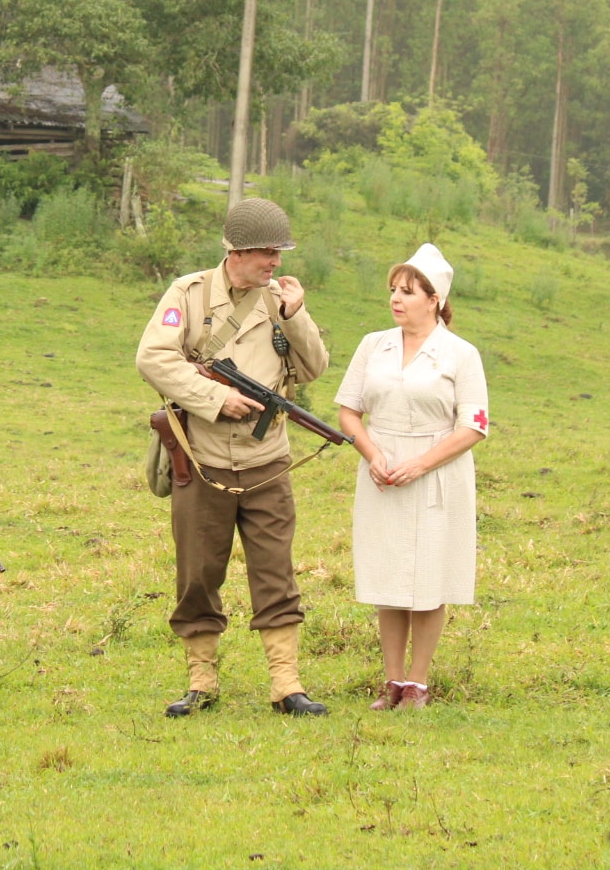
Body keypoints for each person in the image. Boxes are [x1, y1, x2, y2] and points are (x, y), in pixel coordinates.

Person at [135, 197, 332, 718]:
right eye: (267, 253)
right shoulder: (190, 294)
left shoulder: (279, 301)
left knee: (275, 570)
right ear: (237, 252)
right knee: (198, 572)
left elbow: (313, 368)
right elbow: (152, 357)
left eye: (279, 252)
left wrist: (296, 316)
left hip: (268, 459)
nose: (276, 263)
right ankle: (201, 681)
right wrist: (217, 399)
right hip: (202, 458)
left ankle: (286, 685)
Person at [334, 242, 489, 710]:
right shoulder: (372, 346)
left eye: (407, 291)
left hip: (437, 474)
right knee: (388, 578)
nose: (396, 299)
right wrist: (373, 454)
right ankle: (393, 681)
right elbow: (348, 411)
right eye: (394, 291)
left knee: (428, 578)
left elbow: (475, 425)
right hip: (382, 473)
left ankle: (418, 682)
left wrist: (421, 463)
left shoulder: (460, 354)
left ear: (434, 300)